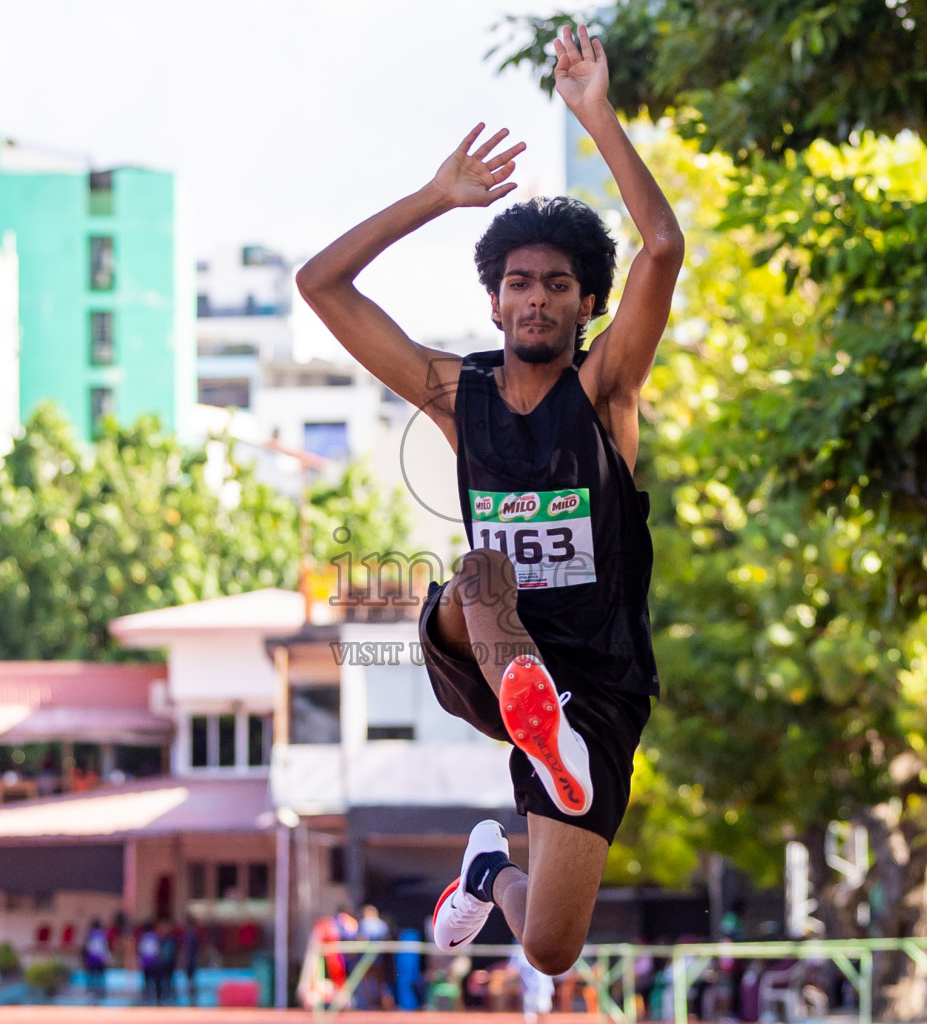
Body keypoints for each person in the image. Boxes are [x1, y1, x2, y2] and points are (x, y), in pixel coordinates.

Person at [298, 23, 681, 976]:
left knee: (550, 949)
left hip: (594, 689)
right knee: (479, 569)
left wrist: (594, 115)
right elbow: (321, 283)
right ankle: (528, 709)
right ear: (496, 302)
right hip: (481, 643)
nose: (537, 298)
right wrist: (436, 196)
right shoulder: (455, 399)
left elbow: (663, 247)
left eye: (558, 285)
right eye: (519, 283)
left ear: (586, 306)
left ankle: (483, 871)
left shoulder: (605, 394)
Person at [81, 917, 109, 1003]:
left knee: (92, 977)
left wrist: (84, 959)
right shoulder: (102, 935)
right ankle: (100, 993)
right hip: (100, 960)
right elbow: (104, 948)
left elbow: (86, 948)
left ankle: (92, 993)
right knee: (100, 977)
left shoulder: (90, 935)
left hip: (92, 959)